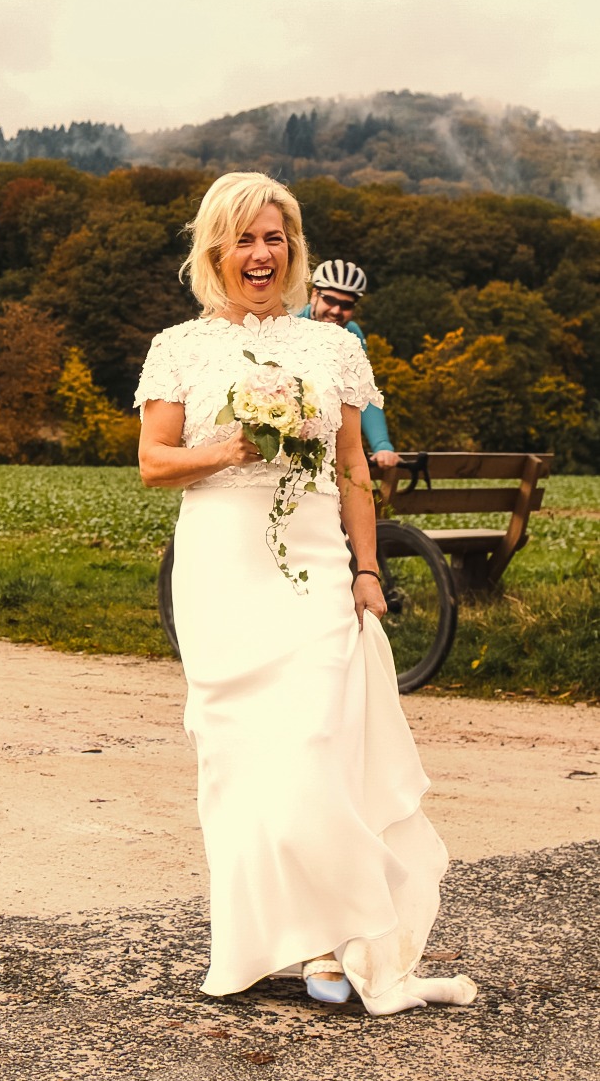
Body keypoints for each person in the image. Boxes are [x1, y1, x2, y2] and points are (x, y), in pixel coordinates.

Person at [135, 172, 476, 1017]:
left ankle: (330, 937)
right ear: (215, 249)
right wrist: (231, 449)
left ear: (292, 250)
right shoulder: (178, 346)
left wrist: (367, 569)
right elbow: (152, 462)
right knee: (239, 759)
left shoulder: (332, 349)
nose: (261, 254)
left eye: (274, 238)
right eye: (244, 239)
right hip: (220, 569)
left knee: (315, 744)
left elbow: (354, 466)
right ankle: (259, 939)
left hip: (317, 565)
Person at [300, 260, 400, 469]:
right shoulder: (291, 323)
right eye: (330, 300)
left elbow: (362, 394)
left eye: (346, 305)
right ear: (314, 295)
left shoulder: (351, 332)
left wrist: (382, 445)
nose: (336, 310)